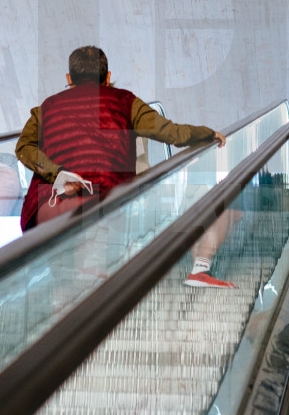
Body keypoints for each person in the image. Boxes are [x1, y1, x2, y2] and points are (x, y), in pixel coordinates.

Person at [16, 45, 235, 287]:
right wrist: (208, 133)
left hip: (51, 206)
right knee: (94, 284)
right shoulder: (125, 101)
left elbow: (24, 148)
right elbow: (172, 133)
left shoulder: (45, 108)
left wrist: (57, 172)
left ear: (69, 78)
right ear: (107, 77)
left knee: (63, 285)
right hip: (102, 206)